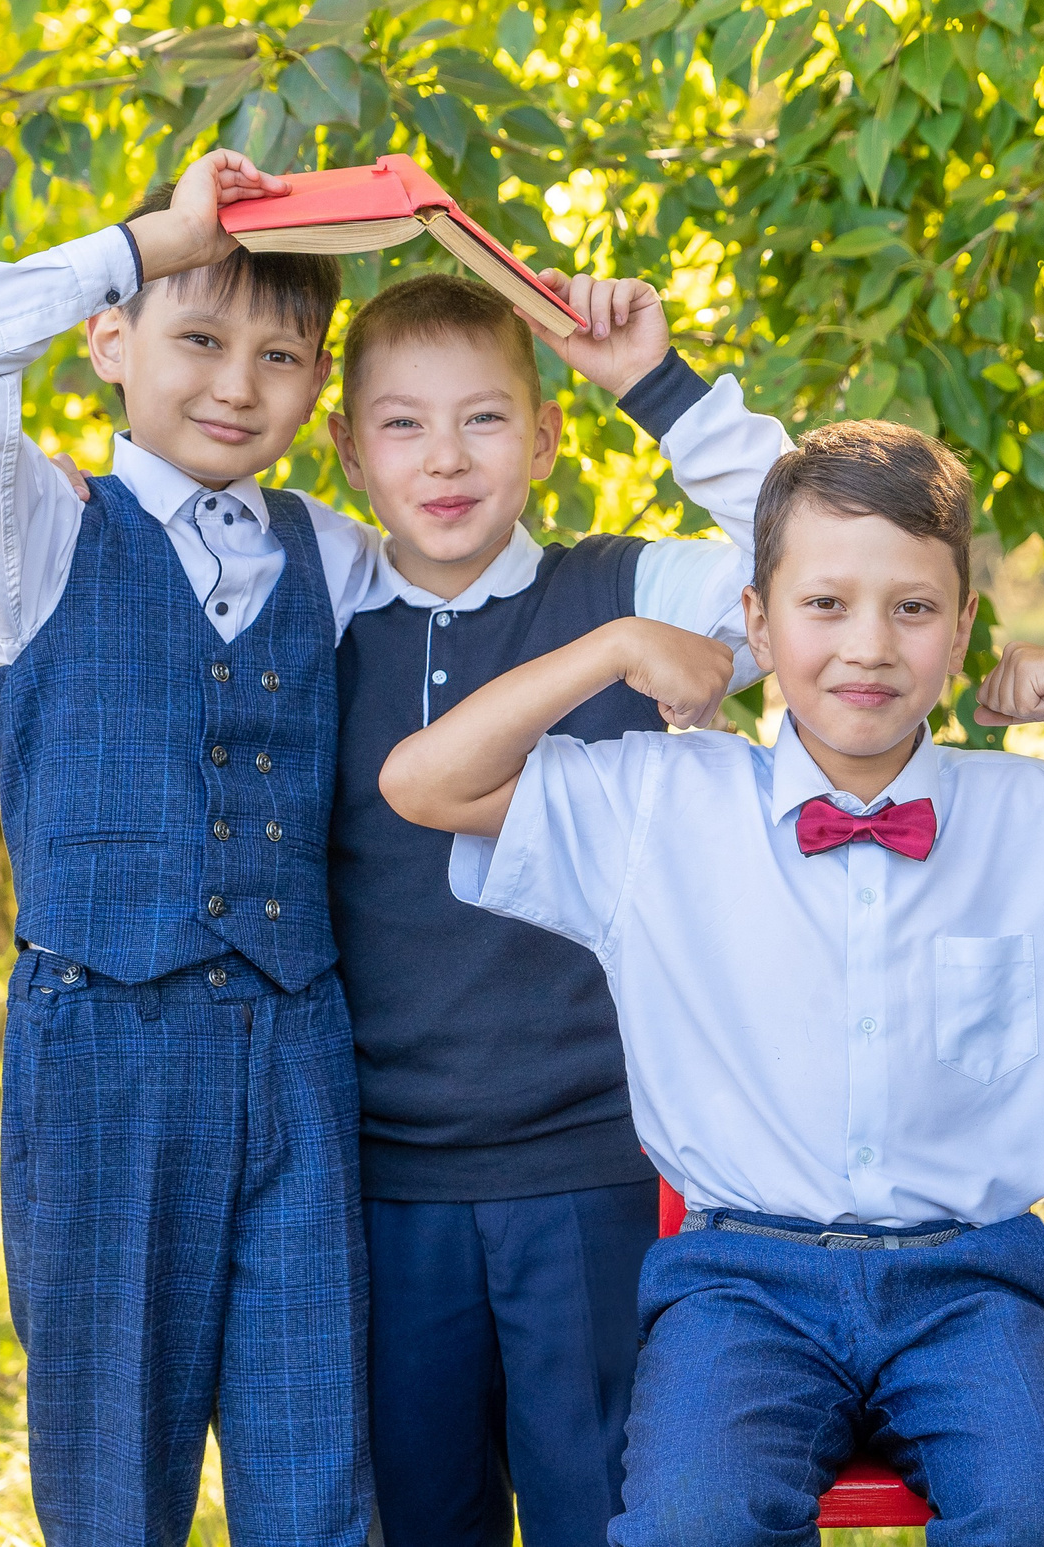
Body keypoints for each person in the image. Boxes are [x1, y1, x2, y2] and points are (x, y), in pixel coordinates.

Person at [380, 418, 1044, 1547]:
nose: (868, 645)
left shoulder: (1041, 825)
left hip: (970, 1283)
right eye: (823, 605)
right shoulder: (660, 805)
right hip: (738, 1284)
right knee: (690, 1521)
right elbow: (421, 784)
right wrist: (614, 647)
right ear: (756, 621)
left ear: (962, 630)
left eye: (912, 608)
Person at [0, 150, 381, 1546]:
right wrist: (154, 236)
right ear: (111, 338)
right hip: (101, 1042)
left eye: (281, 353)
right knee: (111, 1473)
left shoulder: (335, 553)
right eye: (199, 335)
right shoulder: (35, 533)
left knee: (316, 1461)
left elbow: (490, 586)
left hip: (298, 1044)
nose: (238, 382)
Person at [322, 269, 787, 1547]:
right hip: (381, 1178)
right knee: (423, 1515)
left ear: (543, 437)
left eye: (483, 419)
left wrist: (657, 386)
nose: (445, 459)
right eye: (402, 423)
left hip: (590, 1165)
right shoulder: (318, 612)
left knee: (605, 1512)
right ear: (347, 446)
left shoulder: (621, 590)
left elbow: (824, 546)